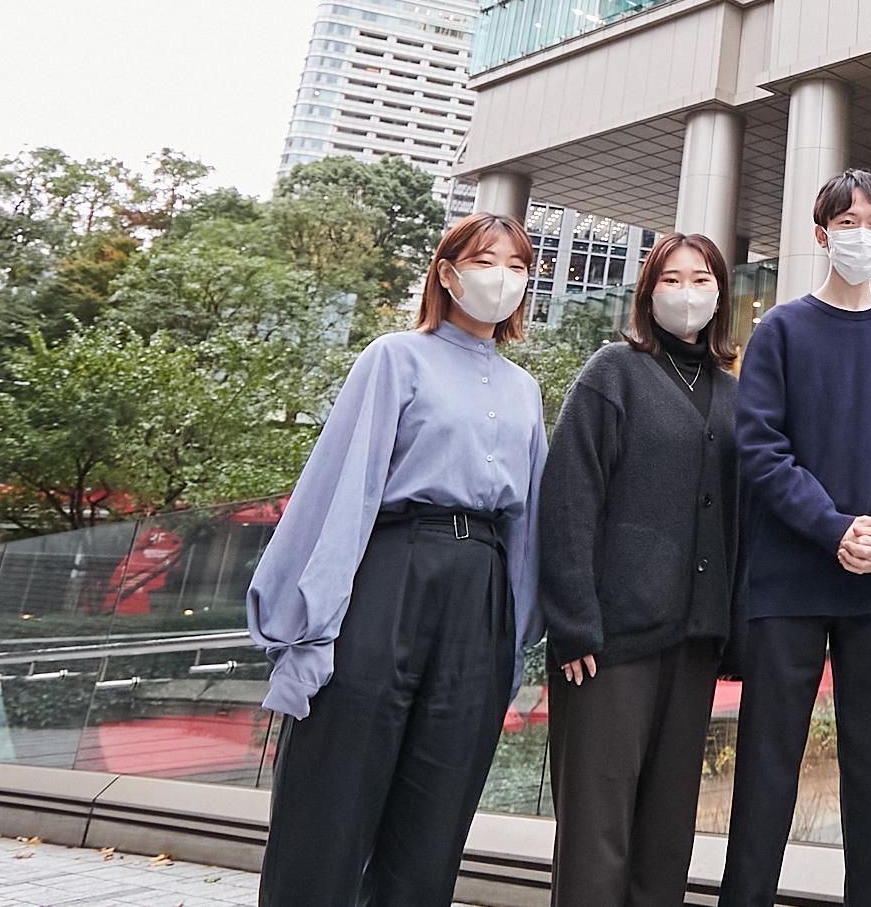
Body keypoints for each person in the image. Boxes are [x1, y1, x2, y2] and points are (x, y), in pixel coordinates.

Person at [246, 212, 549, 907]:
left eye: (516, 266)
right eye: (485, 261)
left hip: (481, 586)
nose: (502, 277)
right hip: (394, 565)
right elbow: (343, 485)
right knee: (334, 790)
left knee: (437, 811)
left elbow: (528, 518)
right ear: (447, 273)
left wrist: (517, 632)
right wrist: (308, 625)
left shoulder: (524, 389)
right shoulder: (395, 357)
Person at [721, 168, 871, 907]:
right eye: (849, 222)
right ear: (821, 234)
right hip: (787, 582)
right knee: (767, 768)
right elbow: (761, 448)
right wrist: (832, 526)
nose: (863, 235)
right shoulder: (780, 330)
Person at [538, 231, 743, 907]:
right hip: (609, 643)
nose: (687, 293)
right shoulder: (613, 372)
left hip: (693, 642)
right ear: (648, 294)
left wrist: (733, 631)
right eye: (671, 279)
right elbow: (569, 498)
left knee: (666, 835)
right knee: (597, 833)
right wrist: (573, 622)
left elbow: (740, 516)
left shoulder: (732, 393)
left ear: (721, 294)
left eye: (702, 279)